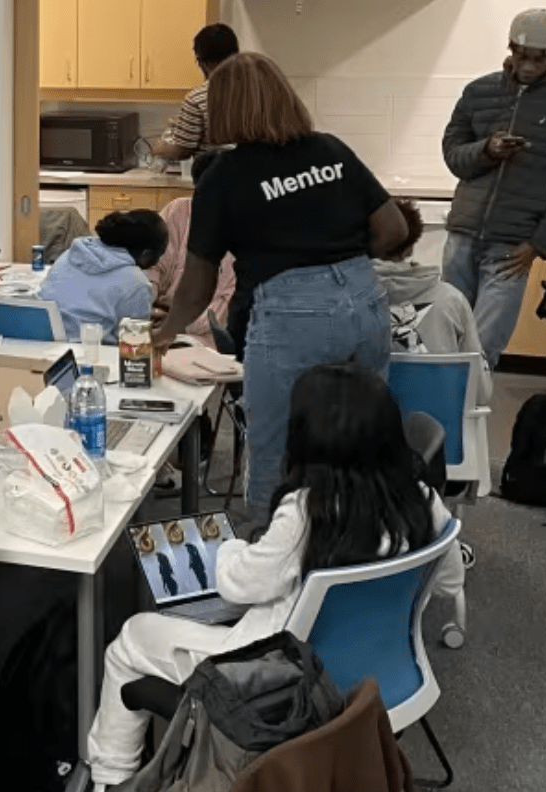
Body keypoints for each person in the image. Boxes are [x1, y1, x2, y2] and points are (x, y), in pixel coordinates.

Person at [85, 362, 465, 789]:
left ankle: (108, 778)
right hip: (388, 675)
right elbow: (450, 582)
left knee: (132, 639)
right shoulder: (423, 500)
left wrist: (232, 548)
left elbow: (237, 585)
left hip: (282, 681)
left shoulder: (307, 511)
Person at [153, 52, 408, 517]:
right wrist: (340, 261)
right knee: (361, 438)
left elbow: (198, 282)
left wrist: (166, 334)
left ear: (224, 109)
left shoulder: (224, 176)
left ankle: (271, 545)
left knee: (274, 450)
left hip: (292, 314)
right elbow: (394, 230)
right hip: (364, 299)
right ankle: (363, 539)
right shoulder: (331, 150)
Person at [440, 7, 546, 369]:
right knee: (444, 344)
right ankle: (443, 406)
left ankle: (469, 406)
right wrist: (487, 150)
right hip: (461, 239)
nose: (529, 66)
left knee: (481, 353)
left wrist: (539, 244)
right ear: (510, 48)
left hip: (512, 248)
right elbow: (454, 156)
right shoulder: (478, 91)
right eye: (521, 56)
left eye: (539, 58)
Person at [375, 198, 494, 405]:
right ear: (410, 248)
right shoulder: (452, 301)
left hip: (368, 422)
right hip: (438, 422)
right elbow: (481, 392)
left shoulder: (345, 301)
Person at [148, 150, 238, 348]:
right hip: (159, 319)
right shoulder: (178, 211)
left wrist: (178, 323)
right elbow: (153, 266)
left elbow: (224, 309)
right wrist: (147, 307)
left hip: (204, 337)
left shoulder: (248, 232)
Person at [37, 209, 167, 343]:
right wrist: (163, 335)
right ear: (146, 253)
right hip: (90, 350)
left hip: (42, 342)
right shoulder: (137, 282)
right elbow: (134, 344)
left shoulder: (70, 255)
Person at [151, 24, 240, 163]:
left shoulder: (197, 98)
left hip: (215, 172)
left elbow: (182, 150)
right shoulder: (256, 91)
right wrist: (186, 125)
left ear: (202, 62)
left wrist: (160, 148)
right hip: (255, 172)